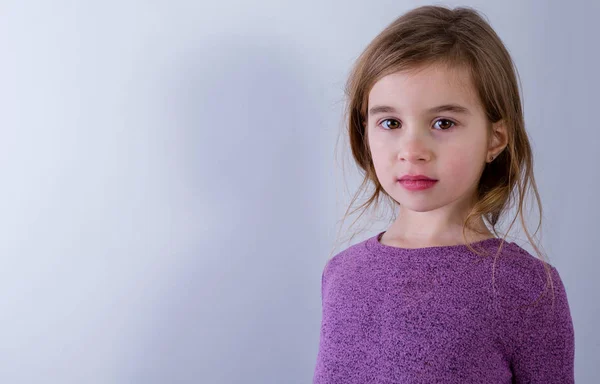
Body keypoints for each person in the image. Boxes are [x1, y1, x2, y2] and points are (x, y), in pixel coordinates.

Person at [312, 5, 575, 384]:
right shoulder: (340, 273)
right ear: (365, 131)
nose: (412, 149)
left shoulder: (528, 289)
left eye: (443, 123)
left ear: (495, 139)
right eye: (390, 122)